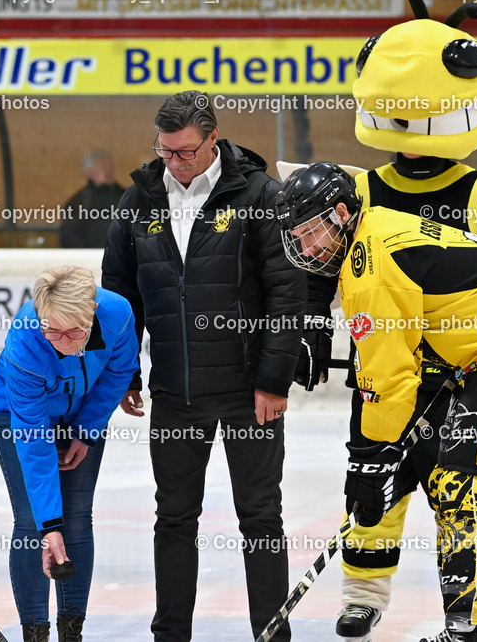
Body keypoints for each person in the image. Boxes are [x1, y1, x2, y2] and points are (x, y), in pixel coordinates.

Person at [294, 0, 477, 641]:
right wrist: (308, 326)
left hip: (462, 377)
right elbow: (325, 266)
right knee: (373, 481)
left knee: (465, 494)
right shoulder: (361, 187)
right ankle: (364, 592)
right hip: (387, 368)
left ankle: (467, 614)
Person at [277, 162, 477, 642]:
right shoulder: (367, 232)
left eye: (311, 232)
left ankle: (469, 628)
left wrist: (369, 462)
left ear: (340, 214)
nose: (305, 247)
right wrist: (373, 462)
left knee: (465, 483)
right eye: (295, 235)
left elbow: (389, 380)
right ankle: (469, 618)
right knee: (456, 480)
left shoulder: (370, 271)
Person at [102, 90, 306, 641]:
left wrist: (273, 379)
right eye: (165, 151)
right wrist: (125, 374)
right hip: (175, 392)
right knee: (173, 518)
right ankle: (170, 635)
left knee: (260, 518)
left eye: (186, 152)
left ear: (213, 139)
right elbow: (118, 300)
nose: (174, 162)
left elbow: (288, 293)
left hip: (249, 392)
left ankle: (271, 634)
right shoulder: (138, 201)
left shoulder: (261, 195)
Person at [0, 265, 138, 642]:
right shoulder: (27, 341)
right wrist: (49, 525)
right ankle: (35, 632)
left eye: (74, 333)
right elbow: (34, 441)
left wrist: (86, 431)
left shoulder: (117, 314)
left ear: (92, 314)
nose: (62, 343)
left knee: (78, 519)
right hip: (18, 415)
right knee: (33, 524)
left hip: (82, 410)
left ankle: (72, 630)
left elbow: (119, 373)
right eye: (52, 330)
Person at [60, 151, 127, 248]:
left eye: (111, 166)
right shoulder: (78, 202)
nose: (109, 170)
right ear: (88, 172)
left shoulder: (128, 197)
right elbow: (69, 237)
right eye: (103, 167)